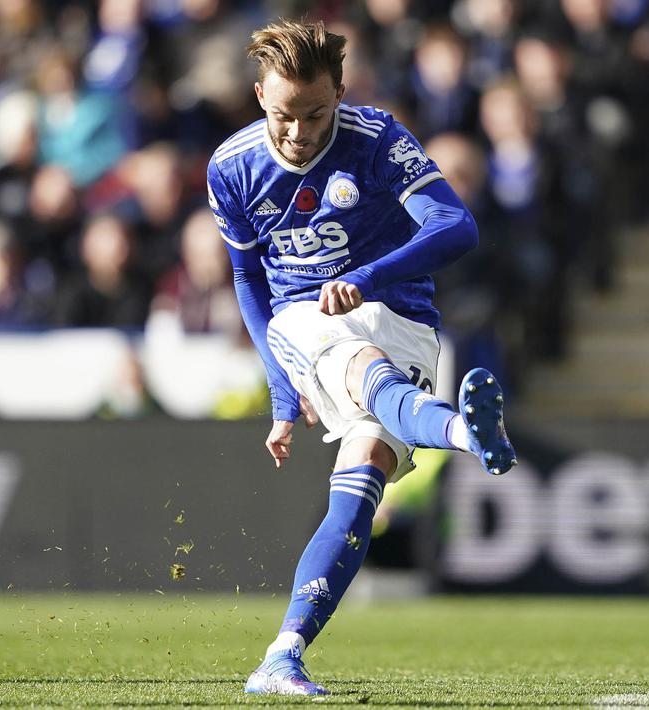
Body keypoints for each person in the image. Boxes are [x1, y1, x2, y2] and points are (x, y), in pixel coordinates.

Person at [205, 19, 517, 696]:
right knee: (356, 359)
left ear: (340, 93)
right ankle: (464, 431)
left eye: (315, 113)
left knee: (362, 480)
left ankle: (281, 656)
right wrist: (283, 395)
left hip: (399, 312)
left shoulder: (376, 139)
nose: (298, 132)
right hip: (302, 315)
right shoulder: (230, 168)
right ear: (260, 95)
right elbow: (247, 279)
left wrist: (371, 278)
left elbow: (455, 224)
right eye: (284, 114)